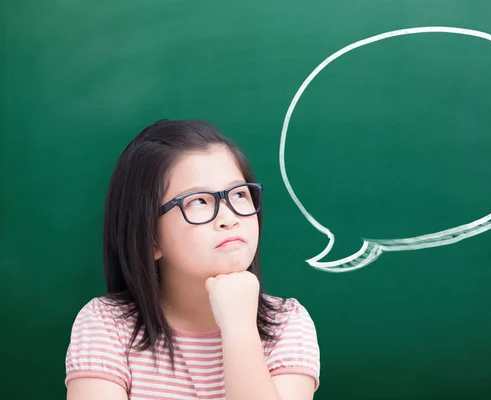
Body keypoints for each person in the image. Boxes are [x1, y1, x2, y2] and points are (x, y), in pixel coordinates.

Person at [64, 119, 320, 400]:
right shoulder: (106, 325)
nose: (229, 217)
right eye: (198, 201)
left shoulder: (286, 324)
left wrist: (239, 327)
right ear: (150, 238)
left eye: (238, 194)